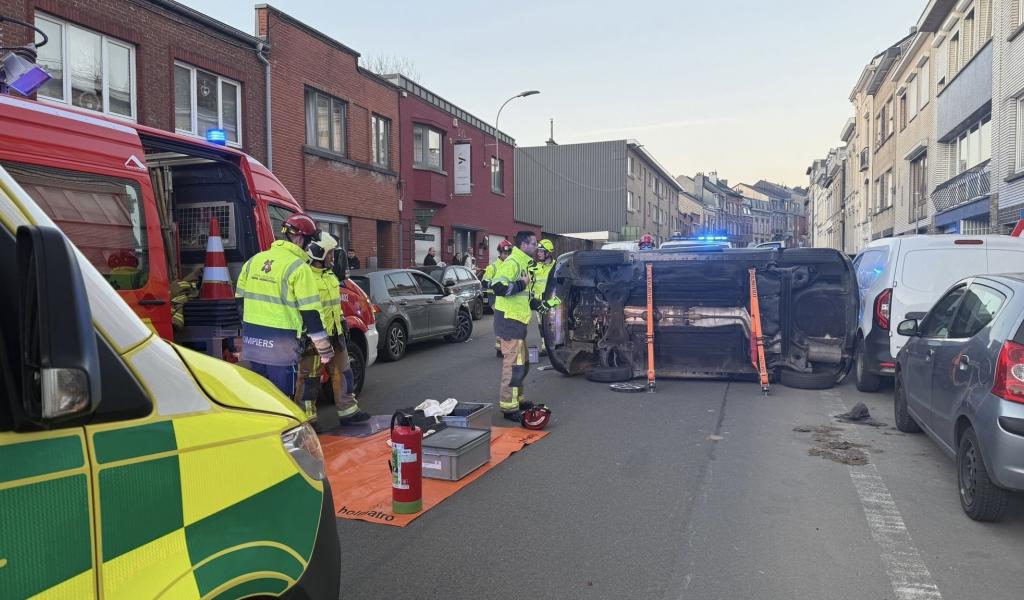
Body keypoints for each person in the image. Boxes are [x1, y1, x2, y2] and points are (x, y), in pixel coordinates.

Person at [236, 213, 333, 400]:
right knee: (283, 398)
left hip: (253, 341)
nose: (309, 247)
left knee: (261, 396)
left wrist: (248, 329)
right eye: (309, 241)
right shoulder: (299, 268)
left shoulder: (254, 260)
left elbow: (240, 301)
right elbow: (310, 312)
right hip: (281, 345)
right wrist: (324, 349)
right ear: (299, 238)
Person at [294, 232, 370, 426]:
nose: (332, 258)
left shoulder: (329, 275)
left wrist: (342, 324)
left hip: (336, 333)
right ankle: (308, 419)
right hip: (315, 339)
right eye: (329, 254)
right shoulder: (305, 276)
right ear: (318, 253)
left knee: (344, 372)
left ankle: (348, 411)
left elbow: (334, 305)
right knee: (310, 379)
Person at [491, 231, 539, 422]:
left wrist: (539, 304)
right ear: (524, 245)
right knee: (513, 364)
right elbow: (498, 287)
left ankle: (517, 399)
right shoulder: (513, 263)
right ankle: (509, 407)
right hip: (509, 320)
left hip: (517, 320)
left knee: (522, 363)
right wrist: (522, 283)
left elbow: (524, 297)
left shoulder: (525, 263)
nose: (536, 247)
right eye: (534, 243)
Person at [483, 239, 513, 357]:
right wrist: (495, 286)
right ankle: (500, 347)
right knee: (501, 322)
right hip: (495, 297)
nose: (506, 256)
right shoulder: (493, 267)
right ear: (500, 253)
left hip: (506, 297)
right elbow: (484, 282)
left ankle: (505, 345)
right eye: (504, 254)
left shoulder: (511, 266)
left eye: (508, 254)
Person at [529, 239, 556, 356]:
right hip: (538, 302)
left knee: (553, 325)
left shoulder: (556, 267)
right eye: (538, 251)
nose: (538, 253)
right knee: (541, 326)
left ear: (548, 253)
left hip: (551, 302)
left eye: (541, 251)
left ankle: (554, 346)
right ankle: (545, 347)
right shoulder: (535, 266)